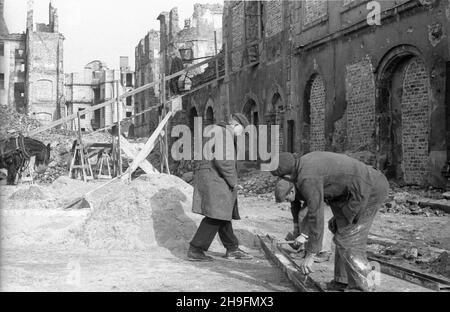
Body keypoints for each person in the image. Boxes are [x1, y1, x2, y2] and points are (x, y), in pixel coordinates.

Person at [271, 151, 389, 291]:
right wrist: (305, 234)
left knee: (349, 240)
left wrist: (310, 254)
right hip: (351, 193)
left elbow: (316, 214)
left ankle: (364, 286)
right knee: (340, 231)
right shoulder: (304, 164)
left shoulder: (307, 177)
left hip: (369, 189)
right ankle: (342, 281)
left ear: (287, 176)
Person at [188, 113, 252, 262]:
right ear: (235, 125)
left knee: (222, 212)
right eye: (242, 130)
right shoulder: (224, 133)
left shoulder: (217, 131)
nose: (241, 134)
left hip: (211, 176)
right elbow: (224, 160)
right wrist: (233, 182)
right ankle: (196, 249)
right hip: (215, 178)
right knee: (215, 215)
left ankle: (232, 248)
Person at [275, 179, 332, 262]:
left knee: (323, 217)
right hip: (314, 199)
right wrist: (297, 230)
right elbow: (295, 210)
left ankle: (324, 252)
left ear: (291, 191)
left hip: (326, 197)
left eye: (287, 199)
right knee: (302, 213)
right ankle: (305, 249)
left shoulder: (306, 185)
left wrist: (304, 235)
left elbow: (316, 209)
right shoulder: (292, 189)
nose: (287, 201)